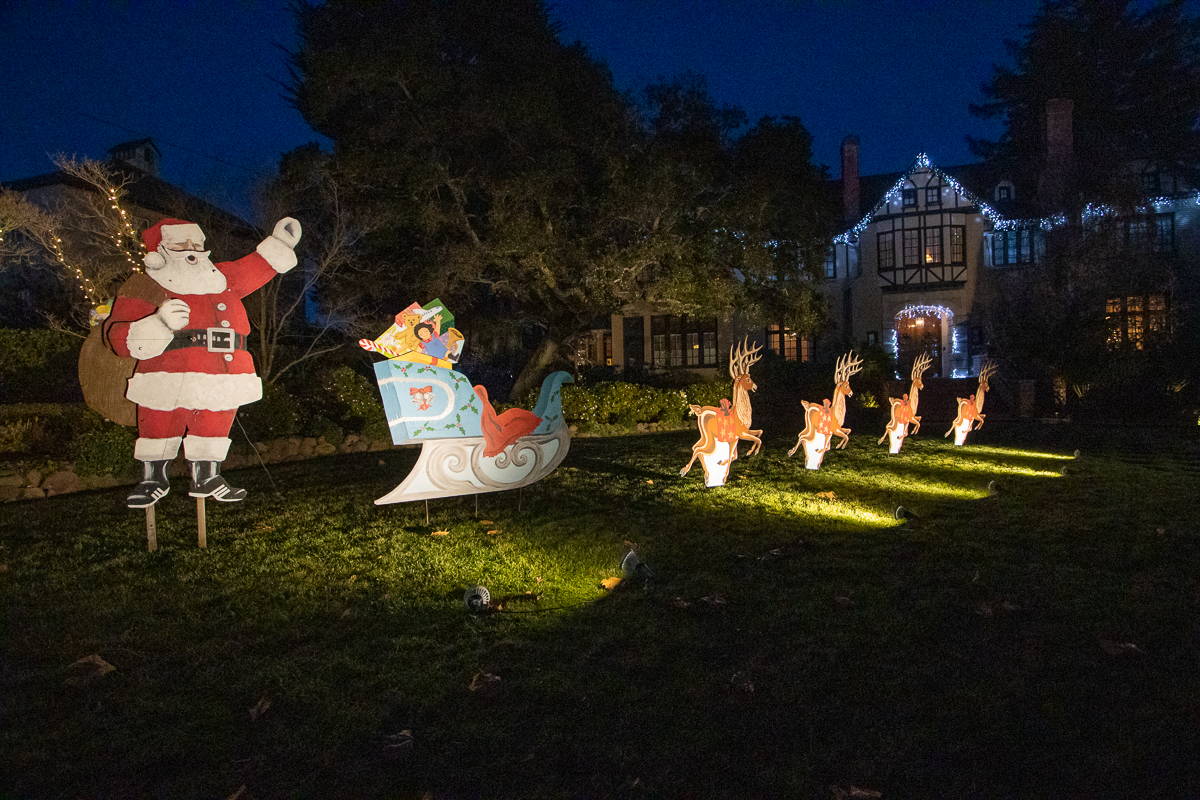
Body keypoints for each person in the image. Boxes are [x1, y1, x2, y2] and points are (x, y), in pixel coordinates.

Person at [103, 217, 301, 507]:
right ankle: (153, 478)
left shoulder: (220, 278)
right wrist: (158, 323)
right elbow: (117, 334)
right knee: (160, 420)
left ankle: (207, 476)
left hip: (224, 370)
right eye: (180, 244)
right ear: (159, 251)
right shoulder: (145, 286)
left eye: (196, 243)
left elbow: (255, 266)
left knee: (214, 420)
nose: (191, 250)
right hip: (168, 371)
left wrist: (281, 243)